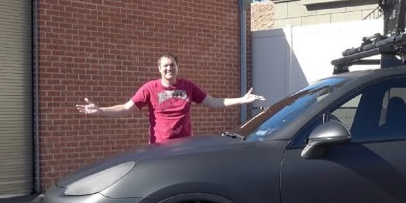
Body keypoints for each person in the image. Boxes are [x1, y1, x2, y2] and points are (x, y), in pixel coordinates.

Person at [75, 52, 265, 144]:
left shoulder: (187, 86)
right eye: (165, 66)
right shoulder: (150, 88)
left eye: (172, 65)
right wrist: (100, 110)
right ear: (159, 69)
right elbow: (126, 108)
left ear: (177, 67)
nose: (169, 68)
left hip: (185, 145)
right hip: (159, 147)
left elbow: (214, 102)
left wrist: (241, 100)